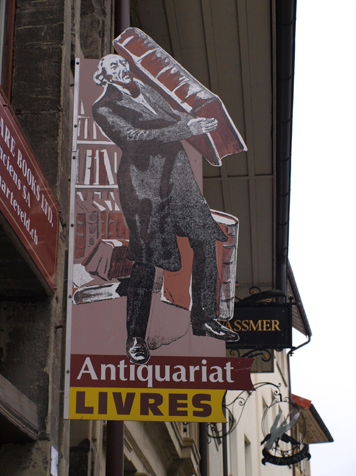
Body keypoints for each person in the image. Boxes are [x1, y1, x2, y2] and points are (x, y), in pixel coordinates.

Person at [92, 54, 239, 364]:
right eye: (113, 66)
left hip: (180, 181)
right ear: (103, 77)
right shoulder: (104, 107)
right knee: (146, 260)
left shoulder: (146, 89)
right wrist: (185, 130)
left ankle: (205, 319)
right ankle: (135, 337)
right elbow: (135, 139)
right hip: (145, 188)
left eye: (123, 63)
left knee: (205, 241)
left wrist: (193, 122)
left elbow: (173, 115)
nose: (123, 68)